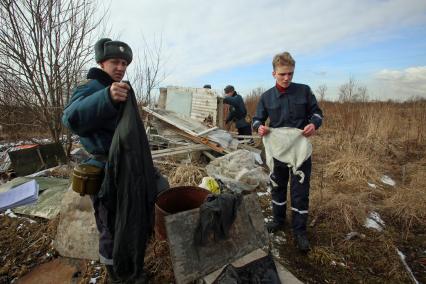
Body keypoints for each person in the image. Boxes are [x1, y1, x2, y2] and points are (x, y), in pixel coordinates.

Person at [62, 38, 166, 283]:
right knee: (111, 228)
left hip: (128, 170)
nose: (120, 68)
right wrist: (106, 97)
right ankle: (117, 276)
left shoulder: (119, 87)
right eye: (114, 62)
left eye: (124, 63)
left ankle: (133, 270)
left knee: (134, 217)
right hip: (106, 171)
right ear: (101, 62)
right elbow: (69, 118)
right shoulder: (91, 87)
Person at [252, 51, 323, 252]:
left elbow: (317, 113)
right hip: (277, 152)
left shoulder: (304, 91)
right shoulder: (266, 97)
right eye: (282, 74)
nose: (287, 78)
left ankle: (299, 231)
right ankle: (278, 220)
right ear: (273, 73)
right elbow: (257, 119)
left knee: (300, 192)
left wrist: (314, 124)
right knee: (277, 186)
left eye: (290, 74)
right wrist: (259, 127)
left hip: (300, 151)